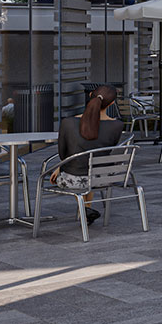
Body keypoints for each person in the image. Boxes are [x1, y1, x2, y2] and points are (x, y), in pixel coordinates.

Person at [54, 86, 124, 225]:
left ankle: (85, 210)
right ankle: (87, 210)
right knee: (88, 171)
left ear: (90, 95)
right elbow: (105, 151)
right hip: (104, 178)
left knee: (77, 173)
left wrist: (58, 168)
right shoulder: (118, 125)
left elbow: (63, 155)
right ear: (111, 104)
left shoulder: (68, 123)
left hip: (73, 179)